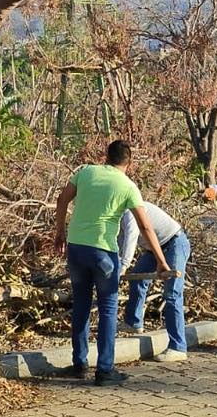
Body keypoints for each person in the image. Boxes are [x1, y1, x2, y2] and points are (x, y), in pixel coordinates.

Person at [52, 140, 170, 386]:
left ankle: (79, 363)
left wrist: (60, 233)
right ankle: (105, 369)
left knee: (82, 305)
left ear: (105, 156)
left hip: (76, 249)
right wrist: (160, 260)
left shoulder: (85, 172)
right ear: (130, 162)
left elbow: (62, 200)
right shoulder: (128, 186)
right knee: (107, 309)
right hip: (103, 253)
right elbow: (145, 226)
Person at [116, 201, 191, 361]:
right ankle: (133, 323)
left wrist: (123, 267)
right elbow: (120, 241)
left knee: (172, 294)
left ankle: (178, 347)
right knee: (138, 277)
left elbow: (131, 237)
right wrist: (116, 264)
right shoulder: (117, 215)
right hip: (154, 249)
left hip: (174, 243)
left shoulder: (130, 211)